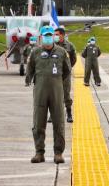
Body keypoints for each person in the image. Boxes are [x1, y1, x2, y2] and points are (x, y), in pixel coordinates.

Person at [25, 25, 71, 164]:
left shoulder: (62, 52)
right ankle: (39, 152)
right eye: (45, 36)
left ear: (53, 37)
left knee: (58, 122)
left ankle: (58, 153)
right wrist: (30, 80)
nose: (48, 38)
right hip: (40, 92)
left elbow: (67, 71)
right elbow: (30, 69)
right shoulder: (35, 52)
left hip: (57, 91)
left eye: (50, 35)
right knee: (38, 122)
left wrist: (56, 81)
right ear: (41, 37)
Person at [55, 27, 76, 123]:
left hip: (65, 75)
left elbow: (73, 59)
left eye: (57, 34)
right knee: (54, 95)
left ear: (62, 35)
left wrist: (67, 68)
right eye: (54, 34)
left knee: (66, 94)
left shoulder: (69, 46)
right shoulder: (52, 45)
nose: (55, 36)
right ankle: (53, 115)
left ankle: (69, 114)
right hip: (54, 74)